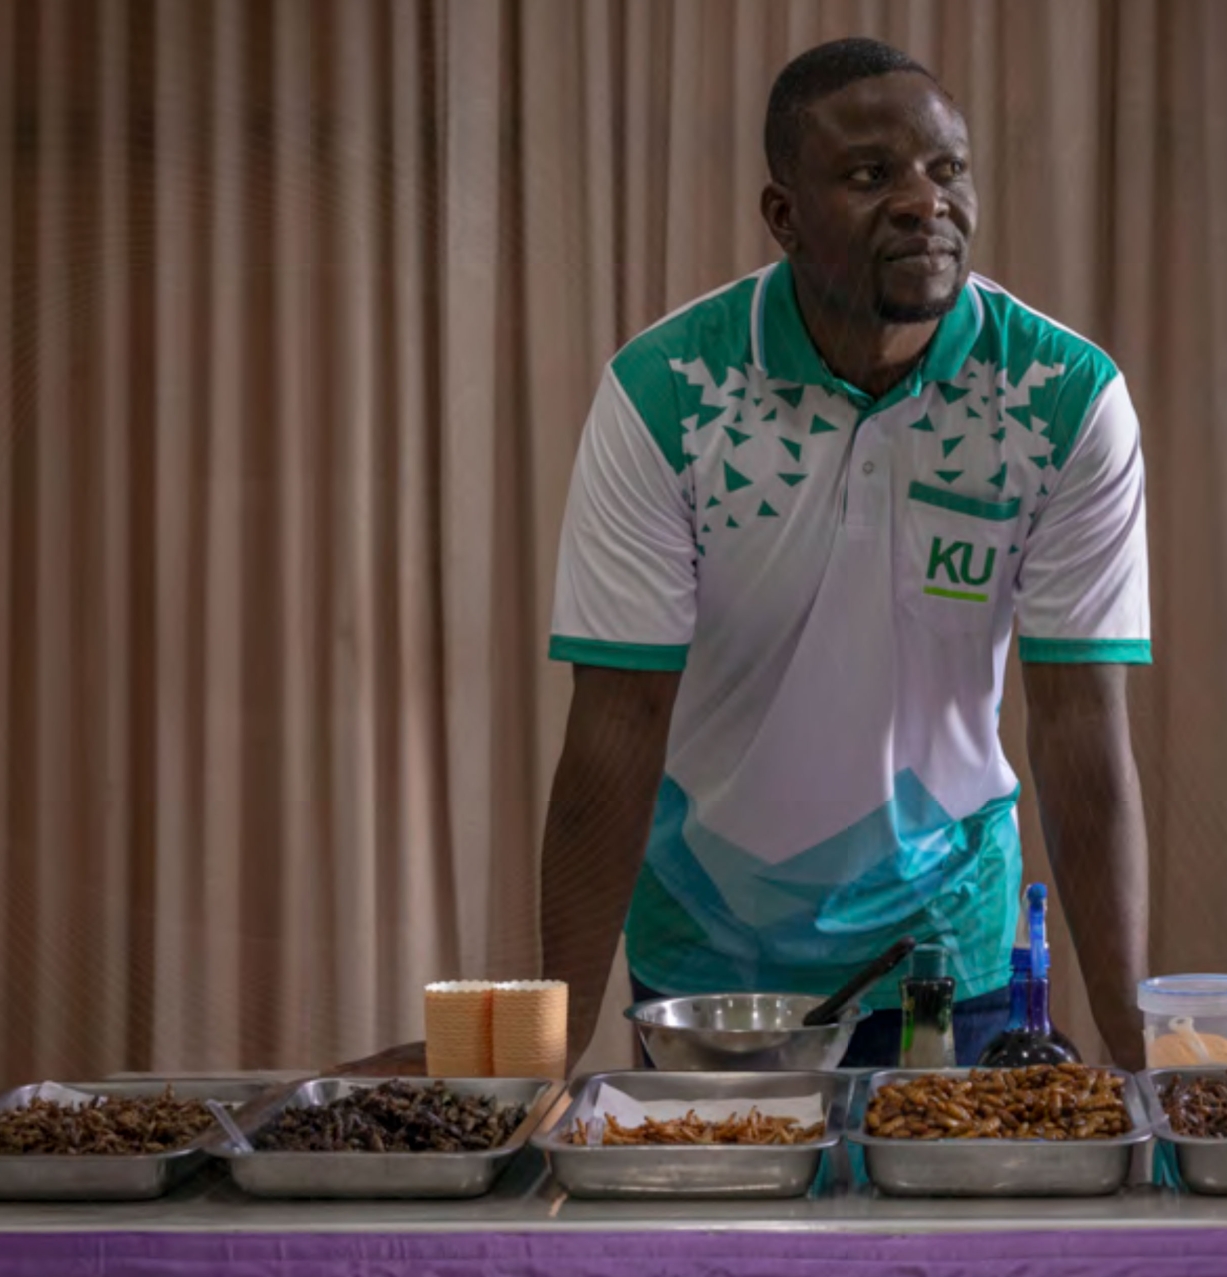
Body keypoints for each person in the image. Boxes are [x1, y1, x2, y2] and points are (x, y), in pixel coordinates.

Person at [346, 37, 1150, 1074]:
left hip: (944, 948)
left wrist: (1137, 1060)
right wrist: (554, 1047)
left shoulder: (1062, 399)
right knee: (721, 1237)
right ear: (783, 216)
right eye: (871, 175)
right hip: (711, 955)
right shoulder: (667, 393)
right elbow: (614, 731)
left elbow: (1083, 727)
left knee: (950, 1233)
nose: (923, 202)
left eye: (946, 169)